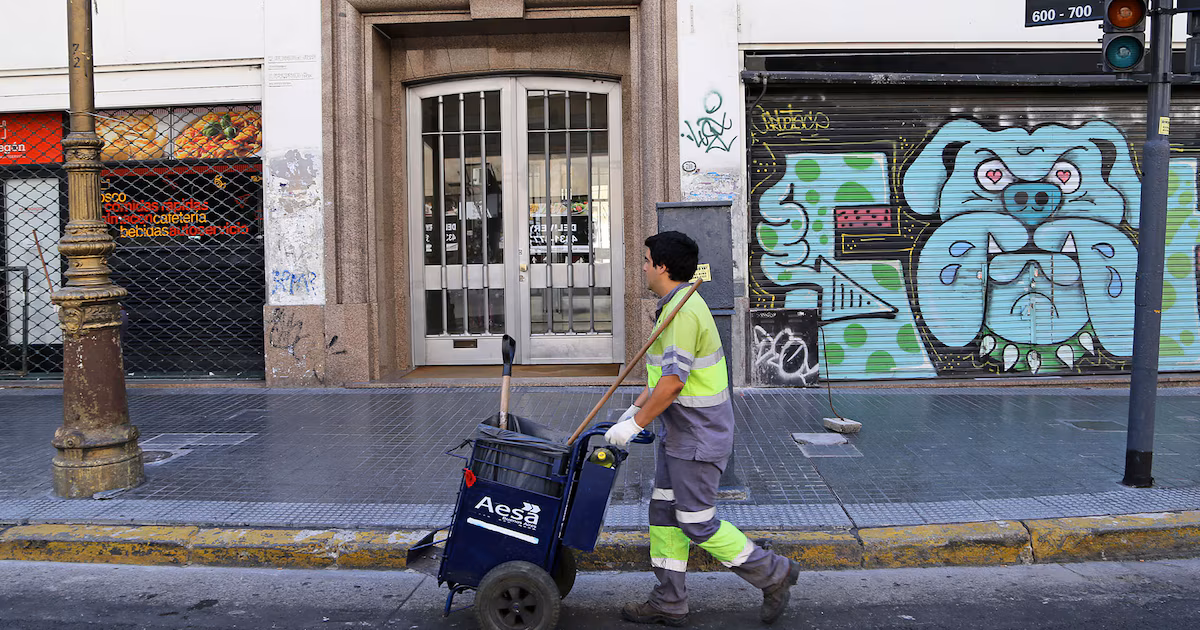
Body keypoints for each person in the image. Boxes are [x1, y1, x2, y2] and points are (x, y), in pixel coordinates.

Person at [605, 231, 800, 626]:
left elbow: (675, 383)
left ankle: (773, 573)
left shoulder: (683, 313)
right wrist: (634, 409)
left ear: (662, 266)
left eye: (645, 260)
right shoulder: (673, 307)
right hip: (679, 437)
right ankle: (669, 601)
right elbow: (661, 377)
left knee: (695, 521)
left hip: (697, 437)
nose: (642, 266)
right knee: (663, 514)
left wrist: (635, 426)